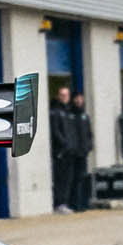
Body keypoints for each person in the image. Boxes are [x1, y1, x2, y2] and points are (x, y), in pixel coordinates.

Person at [50, 85, 78, 213]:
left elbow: (73, 131)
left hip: (70, 152)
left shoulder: (70, 112)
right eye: (62, 95)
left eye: (66, 95)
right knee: (60, 179)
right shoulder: (55, 112)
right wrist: (65, 144)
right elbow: (56, 131)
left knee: (68, 179)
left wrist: (74, 145)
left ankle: (65, 202)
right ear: (58, 96)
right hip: (61, 152)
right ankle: (59, 203)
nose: (65, 97)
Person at [69, 92, 95, 212]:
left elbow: (89, 133)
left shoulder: (85, 116)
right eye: (77, 99)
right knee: (74, 179)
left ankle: (84, 202)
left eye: (81, 99)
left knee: (83, 178)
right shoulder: (70, 115)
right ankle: (75, 204)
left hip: (83, 152)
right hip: (73, 153)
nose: (79, 101)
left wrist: (89, 146)